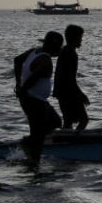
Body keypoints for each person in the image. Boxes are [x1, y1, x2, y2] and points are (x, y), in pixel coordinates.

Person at [14, 31, 64, 164]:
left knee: (55, 122)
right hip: (34, 102)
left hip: (36, 100)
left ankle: (31, 142)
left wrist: (18, 84)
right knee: (38, 138)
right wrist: (22, 89)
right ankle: (33, 165)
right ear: (53, 48)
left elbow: (17, 60)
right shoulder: (46, 60)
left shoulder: (34, 51)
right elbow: (34, 77)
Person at [53, 24, 90, 130]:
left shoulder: (65, 50)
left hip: (62, 92)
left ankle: (67, 139)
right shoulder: (70, 53)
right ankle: (74, 140)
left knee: (68, 121)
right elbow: (70, 79)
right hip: (68, 92)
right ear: (75, 38)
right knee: (83, 119)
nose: (81, 41)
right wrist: (81, 95)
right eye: (80, 38)